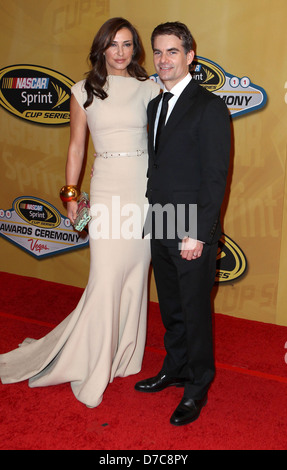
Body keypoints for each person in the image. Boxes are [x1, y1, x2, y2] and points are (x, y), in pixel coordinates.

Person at [0, 18, 160, 408]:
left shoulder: (150, 87)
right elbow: (76, 147)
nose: (121, 52)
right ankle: (92, 358)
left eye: (127, 44)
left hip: (143, 190)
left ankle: (124, 354)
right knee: (106, 275)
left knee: (137, 274)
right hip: (106, 187)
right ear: (101, 47)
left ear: (135, 49)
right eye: (113, 44)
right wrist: (71, 199)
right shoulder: (82, 90)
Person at [135, 22, 231, 426]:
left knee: (194, 311)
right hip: (160, 220)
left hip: (192, 227)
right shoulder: (155, 106)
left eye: (172, 51)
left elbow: (214, 177)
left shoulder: (209, 107)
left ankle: (197, 386)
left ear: (190, 55)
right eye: (158, 52)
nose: (163, 60)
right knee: (172, 307)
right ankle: (174, 368)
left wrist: (198, 233)